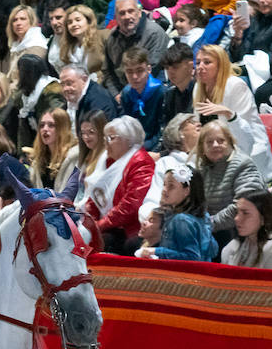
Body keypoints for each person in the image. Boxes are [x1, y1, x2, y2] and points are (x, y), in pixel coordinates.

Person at [193, 44, 272, 175]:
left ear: (220, 65)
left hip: (247, 152)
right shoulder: (198, 88)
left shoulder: (235, 86)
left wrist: (228, 113)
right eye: (198, 63)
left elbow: (247, 133)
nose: (200, 67)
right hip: (214, 152)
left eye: (207, 62)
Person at [88, 116, 154, 253]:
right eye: (105, 138)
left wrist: (99, 225)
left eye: (111, 138)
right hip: (112, 225)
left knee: (103, 241)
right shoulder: (108, 161)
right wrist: (89, 222)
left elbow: (131, 204)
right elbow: (95, 196)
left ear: (128, 141)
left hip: (130, 229)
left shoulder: (141, 161)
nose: (106, 143)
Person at [195, 120, 264, 240]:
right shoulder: (202, 168)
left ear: (230, 142)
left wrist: (208, 224)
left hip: (237, 234)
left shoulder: (243, 164)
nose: (215, 145)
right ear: (203, 148)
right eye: (209, 142)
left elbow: (242, 206)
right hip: (211, 232)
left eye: (221, 141)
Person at [137, 164, 216, 262]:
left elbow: (192, 257)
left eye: (171, 186)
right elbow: (213, 250)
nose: (164, 190)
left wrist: (155, 251)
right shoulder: (202, 217)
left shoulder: (181, 220)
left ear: (186, 191)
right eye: (164, 184)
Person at [101, 0, 168, 96]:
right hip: (122, 92)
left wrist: (127, 95)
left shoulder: (154, 33)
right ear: (116, 17)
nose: (127, 16)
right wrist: (116, 95)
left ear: (139, 12)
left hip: (151, 90)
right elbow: (108, 71)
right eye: (122, 13)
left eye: (131, 11)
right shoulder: (112, 37)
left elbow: (152, 69)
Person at [221, 189, 272, 269]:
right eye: (237, 212)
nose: (237, 218)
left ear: (263, 218)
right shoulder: (233, 245)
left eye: (245, 213)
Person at [9, 55, 64, 149]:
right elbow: (23, 128)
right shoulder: (23, 96)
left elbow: (58, 122)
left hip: (56, 145)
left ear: (25, 73)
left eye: (18, 70)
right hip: (36, 145)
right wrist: (22, 153)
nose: (16, 73)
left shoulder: (52, 91)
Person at [118, 47, 166, 151]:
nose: (134, 76)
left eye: (139, 70)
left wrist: (144, 148)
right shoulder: (127, 93)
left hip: (155, 145)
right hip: (133, 145)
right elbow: (126, 125)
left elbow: (162, 129)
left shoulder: (160, 91)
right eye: (129, 72)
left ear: (148, 69)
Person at [46, 4, 105, 75]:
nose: (74, 24)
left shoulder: (102, 37)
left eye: (78, 20)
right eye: (70, 22)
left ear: (88, 21)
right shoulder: (68, 47)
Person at [60, 62, 118, 134]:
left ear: (84, 79)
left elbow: (101, 137)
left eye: (69, 83)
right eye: (62, 84)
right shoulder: (77, 97)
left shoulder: (99, 100)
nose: (65, 89)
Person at [30, 107, 76, 190]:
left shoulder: (73, 158)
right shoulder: (38, 161)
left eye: (51, 125)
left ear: (62, 128)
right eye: (42, 125)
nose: (45, 129)